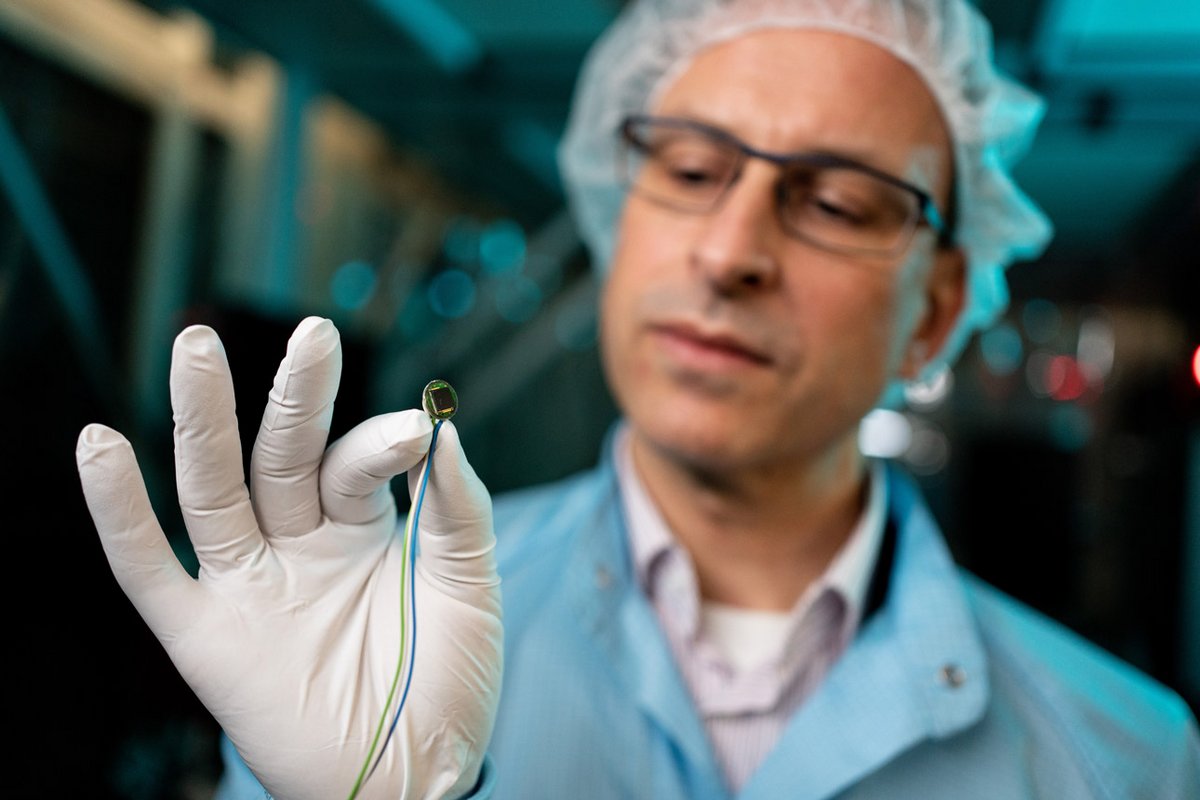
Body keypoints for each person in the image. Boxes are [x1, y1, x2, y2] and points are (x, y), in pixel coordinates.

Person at [76, 0, 1200, 798]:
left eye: (839, 201)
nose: (729, 249)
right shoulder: (370, 632)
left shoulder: (1127, 758)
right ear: (622, 208)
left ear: (935, 303)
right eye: (693, 167)